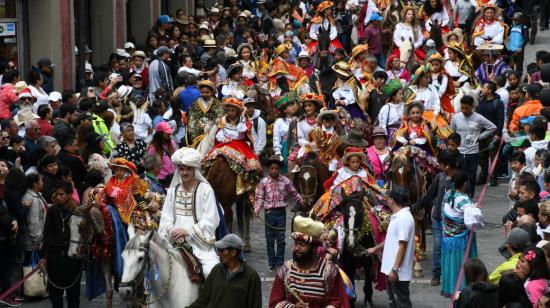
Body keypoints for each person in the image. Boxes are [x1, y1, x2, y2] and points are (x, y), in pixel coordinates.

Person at [159, 147, 220, 277]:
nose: (185, 173)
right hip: (174, 241)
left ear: (195, 170)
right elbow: (166, 217)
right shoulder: (173, 191)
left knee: (212, 271)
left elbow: (211, 220)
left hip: (199, 243)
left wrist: (187, 232)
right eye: (181, 169)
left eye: (188, 169)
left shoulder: (205, 190)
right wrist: (172, 230)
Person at [269, 216, 351, 308]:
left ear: (314, 248)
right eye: (296, 243)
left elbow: (338, 302)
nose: (296, 248)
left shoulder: (329, 271)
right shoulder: (285, 270)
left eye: (302, 245)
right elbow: (274, 302)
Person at [413, 151, 457, 286]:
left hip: (453, 220)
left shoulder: (459, 178)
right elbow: (430, 195)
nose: (439, 166)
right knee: (437, 246)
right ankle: (436, 274)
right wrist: (417, 205)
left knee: (451, 247)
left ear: (447, 166)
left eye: (441, 164)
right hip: (438, 218)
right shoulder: (440, 177)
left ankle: (452, 273)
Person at [202, 97, 263, 195]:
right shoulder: (224, 119)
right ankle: (206, 180)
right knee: (210, 158)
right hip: (225, 143)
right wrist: (223, 138)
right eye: (228, 110)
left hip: (240, 144)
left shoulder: (243, 120)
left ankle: (246, 185)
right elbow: (219, 132)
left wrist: (240, 120)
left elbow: (242, 132)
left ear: (238, 111)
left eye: (233, 110)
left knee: (250, 165)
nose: (230, 113)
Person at [368, 186, 415, 308]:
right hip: (392, 270)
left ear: (392, 200)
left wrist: (394, 269)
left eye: (388, 198)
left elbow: (402, 246)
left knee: (402, 303)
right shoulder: (397, 216)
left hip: (398, 272)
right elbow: (391, 240)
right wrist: (376, 248)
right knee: (393, 302)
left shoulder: (404, 219)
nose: (386, 200)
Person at [254, 156, 303, 271]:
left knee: (281, 239)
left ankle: (280, 262)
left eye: (276, 168)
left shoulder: (285, 181)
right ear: (269, 169)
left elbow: (294, 193)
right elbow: (260, 197)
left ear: (279, 169)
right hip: (269, 213)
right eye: (272, 168)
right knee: (270, 239)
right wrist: (257, 209)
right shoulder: (264, 182)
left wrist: (301, 201)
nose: (274, 170)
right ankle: (272, 263)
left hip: (281, 213)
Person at [186, 234, 262, 308]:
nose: (219, 254)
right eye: (218, 250)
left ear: (233, 253)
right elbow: (202, 300)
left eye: (222, 251)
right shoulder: (216, 270)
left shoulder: (251, 277)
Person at [441, 170, 484, 297]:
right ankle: (463, 295)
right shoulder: (464, 199)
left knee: (452, 270)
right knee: (463, 270)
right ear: (465, 183)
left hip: (448, 238)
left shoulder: (448, 194)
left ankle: (453, 292)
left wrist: (472, 207)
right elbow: (473, 220)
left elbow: (455, 210)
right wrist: (475, 209)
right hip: (461, 241)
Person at [42, 182, 83, 308]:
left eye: (61, 194)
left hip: (72, 258)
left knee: (73, 294)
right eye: (56, 194)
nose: (58, 197)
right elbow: (47, 234)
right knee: (55, 293)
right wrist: (44, 257)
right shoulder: (53, 210)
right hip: (55, 257)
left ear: (70, 194)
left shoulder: (77, 211)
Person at [450, 95, 497, 197]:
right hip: (459, 152)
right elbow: (452, 132)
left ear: (472, 107)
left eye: (466, 108)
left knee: (471, 177)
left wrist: (480, 137)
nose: (464, 110)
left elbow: (492, 127)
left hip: (473, 153)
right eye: (462, 107)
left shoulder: (478, 118)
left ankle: (470, 197)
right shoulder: (456, 117)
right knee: (458, 176)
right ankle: (456, 196)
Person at [147, 122, 178, 186]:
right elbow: (150, 167)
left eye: (169, 132)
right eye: (166, 132)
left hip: (173, 176)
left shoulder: (172, 143)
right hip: (161, 180)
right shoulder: (153, 148)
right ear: (160, 133)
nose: (169, 133)